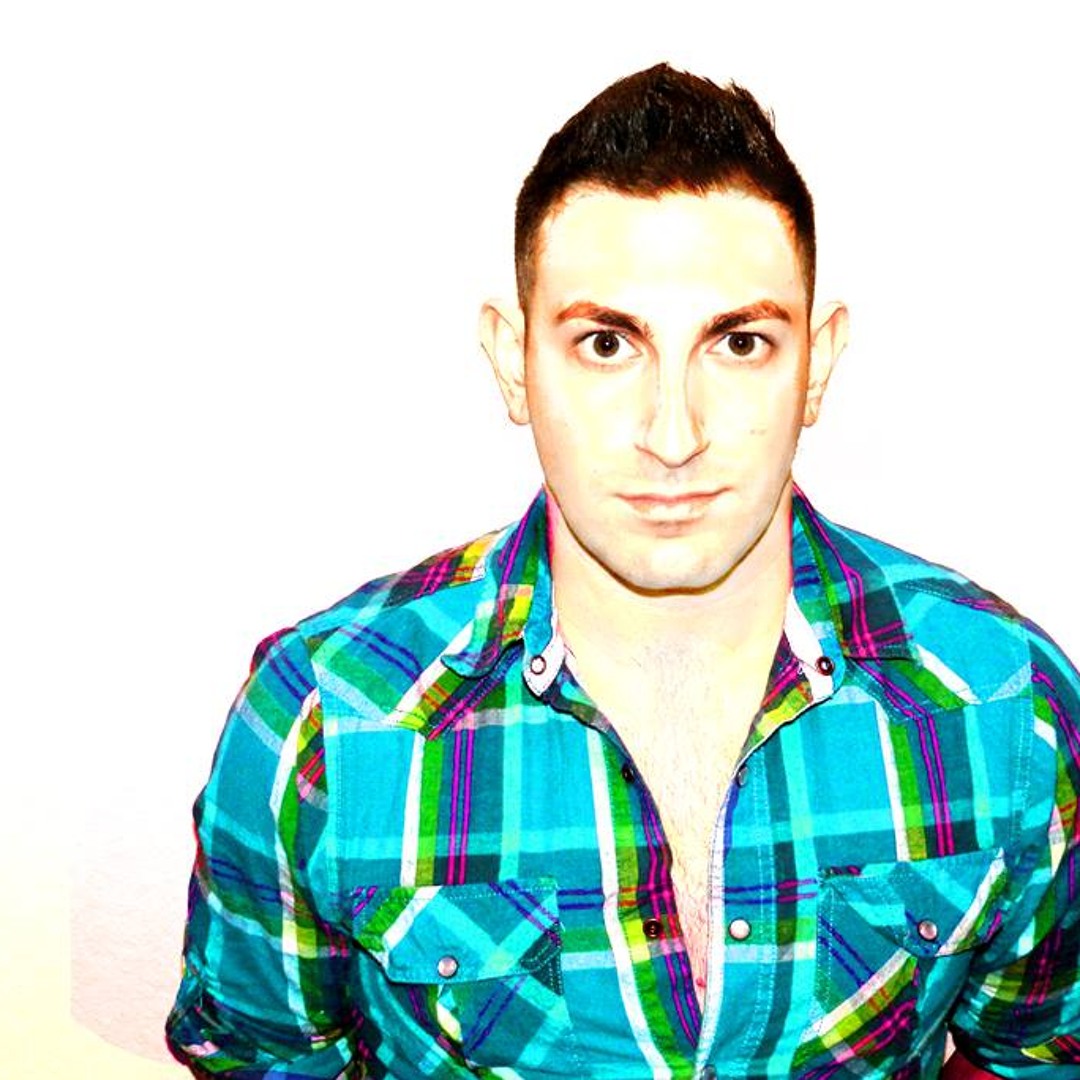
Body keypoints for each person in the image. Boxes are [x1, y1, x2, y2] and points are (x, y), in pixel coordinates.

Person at [165, 65, 1080, 1078]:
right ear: (513, 360)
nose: (673, 435)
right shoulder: (325, 720)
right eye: (606, 343)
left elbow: (1038, 1052)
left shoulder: (1007, 705)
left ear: (816, 364)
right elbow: (260, 1057)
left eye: (739, 342)